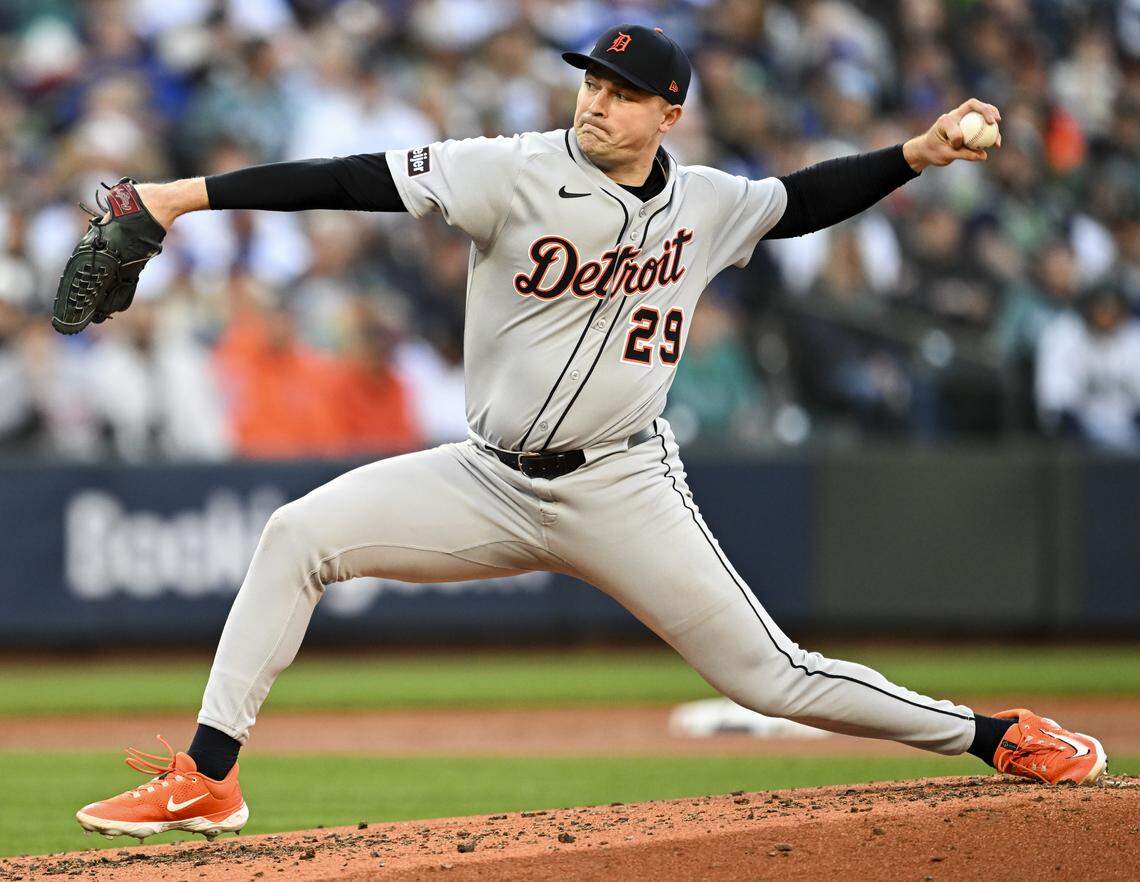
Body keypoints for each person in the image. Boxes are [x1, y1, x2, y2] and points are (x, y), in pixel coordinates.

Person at [74, 24, 1106, 843]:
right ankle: (208, 777)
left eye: (622, 92)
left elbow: (798, 202)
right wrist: (177, 198)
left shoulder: (706, 203)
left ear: (670, 113)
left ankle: (995, 735)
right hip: (486, 479)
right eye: (592, 83)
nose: (597, 102)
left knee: (770, 677)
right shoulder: (510, 170)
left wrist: (919, 153)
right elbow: (348, 179)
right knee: (297, 534)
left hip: (623, 486)